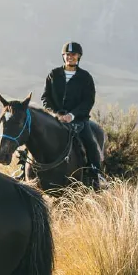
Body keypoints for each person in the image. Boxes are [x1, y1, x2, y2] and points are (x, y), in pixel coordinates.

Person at [41, 41, 102, 187]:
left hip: (79, 120)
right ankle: (24, 167)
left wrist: (72, 115)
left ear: (79, 56)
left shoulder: (85, 77)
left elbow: (88, 101)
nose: (70, 57)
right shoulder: (53, 74)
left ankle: (96, 175)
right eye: (67, 54)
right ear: (63, 56)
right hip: (55, 118)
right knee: (35, 135)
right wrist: (55, 114)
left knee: (91, 143)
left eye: (73, 54)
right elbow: (45, 98)